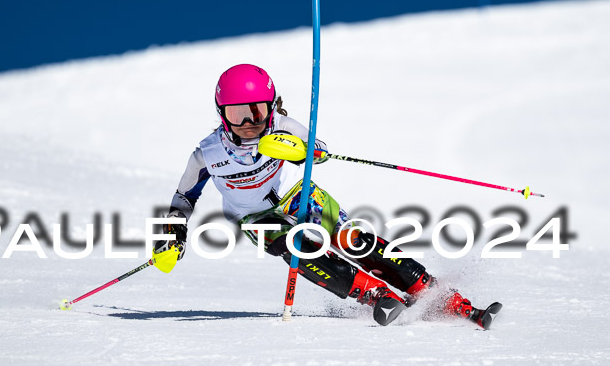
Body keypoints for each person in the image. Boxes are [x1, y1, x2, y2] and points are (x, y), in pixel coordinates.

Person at [154, 63, 501, 329]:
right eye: (237, 114)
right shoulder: (207, 153)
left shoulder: (283, 127)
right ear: (221, 114)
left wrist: (299, 150)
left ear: (271, 108)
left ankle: (441, 298)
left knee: (356, 242)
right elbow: (183, 197)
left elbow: (320, 151)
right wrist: (172, 236)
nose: (248, 123)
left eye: (257, 111)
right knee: (301, 249)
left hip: (298, 194)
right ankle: (376, 296)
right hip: (255, 218)